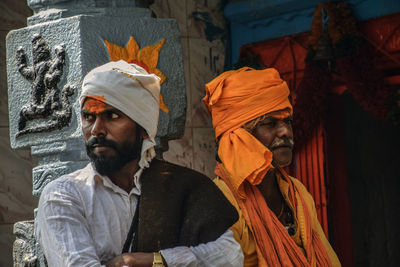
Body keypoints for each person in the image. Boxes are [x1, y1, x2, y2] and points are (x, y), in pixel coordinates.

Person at [35, 60, 243, 267]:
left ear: (143, 127)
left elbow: (230, 256)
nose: (97, 129)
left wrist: (150, 261)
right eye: (88, 117)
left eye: (112, 116)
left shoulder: (182, 186)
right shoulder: (64, 196)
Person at [203, 67, 341, 266]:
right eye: (270, 123)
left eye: (288, 121)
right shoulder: (219, 202)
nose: (286, 131)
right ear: (239, 136)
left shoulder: (297, 192)